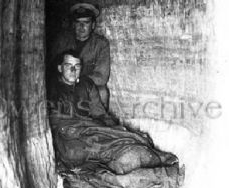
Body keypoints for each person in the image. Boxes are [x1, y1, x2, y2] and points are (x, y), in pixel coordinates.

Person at [48, 50, 178, 176]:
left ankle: (138, 155)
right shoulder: (51, 88)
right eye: (68, 66)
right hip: (67, 136)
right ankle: (124, 160)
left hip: (90, 129)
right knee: (78, 151)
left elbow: (100, 113)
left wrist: (115, 128)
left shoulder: (86, 84)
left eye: (77, 66)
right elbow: (55, 121)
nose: (73, 70)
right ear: (60, 68)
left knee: (126, 136)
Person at [49, 3, 110, 109]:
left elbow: (101, 77)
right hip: (63, 84)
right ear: (73, 24)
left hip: (84, 85)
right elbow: (51, 68)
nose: (81, 27)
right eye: (78, 22)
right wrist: (65, 80)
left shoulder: (101, 44)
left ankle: (100, 120)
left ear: (93, 25)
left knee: (102, 91)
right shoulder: (62, 40)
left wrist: (76, 80)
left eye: (86, 22)